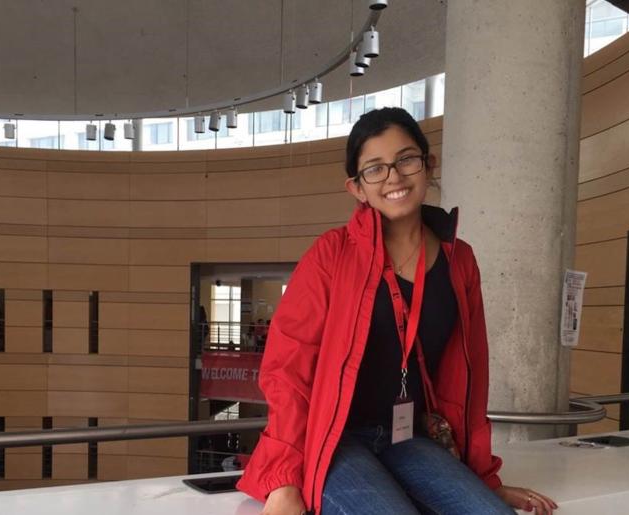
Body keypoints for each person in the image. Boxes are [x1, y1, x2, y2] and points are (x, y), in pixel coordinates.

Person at [237, 108, 557, 514]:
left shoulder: (460, 262)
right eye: (374, 168)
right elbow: (289, 367)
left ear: (428, 164)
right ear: (356, 187)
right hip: (337, 439)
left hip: (407, 438)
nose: (393, 177)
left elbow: (472, 377)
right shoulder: (332, 255)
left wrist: (483, 480)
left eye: (406, 159)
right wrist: (283, 479)